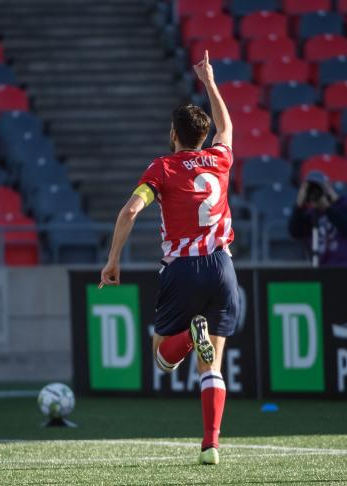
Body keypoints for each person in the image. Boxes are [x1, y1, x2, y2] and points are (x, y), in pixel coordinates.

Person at [99, 50, 238, 465]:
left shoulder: (161, 169)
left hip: (182, 269)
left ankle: (187, 334)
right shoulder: (220, 158)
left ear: (173, 135)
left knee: (163, 358)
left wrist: (112, 261)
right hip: (222, 265)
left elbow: (129, 211)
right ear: (203, 135)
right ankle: (211, 444)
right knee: (212, 366)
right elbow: (227, 126)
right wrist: (210, 81)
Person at [288, 171, 347, 266]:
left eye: (319, 187)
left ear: (328, 185)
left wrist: (327, 208)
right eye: (310, 190)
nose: (315, 191)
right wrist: (299, 206)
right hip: (325, 271)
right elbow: (294, 232)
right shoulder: (312, 214)